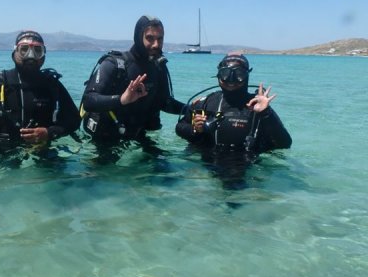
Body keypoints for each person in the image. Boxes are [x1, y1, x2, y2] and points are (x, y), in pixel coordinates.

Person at [0, 30, 80, 163]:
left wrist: (49, 132)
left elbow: (74, 119)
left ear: (43, 57)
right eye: (24, 50)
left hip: (41, 149)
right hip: (1, 151)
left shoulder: (52, 85)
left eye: (37, 50)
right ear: (14, 55)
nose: (31, 56)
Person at [176, 53, 292, 189]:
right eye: (225, 73)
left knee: (234, 193)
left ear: (247, 75)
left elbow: (285, 143)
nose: (231, 80)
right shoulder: (207, 102)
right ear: (218, 75)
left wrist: (266, 113)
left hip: (244, 161)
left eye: (239, 74)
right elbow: (180, 127)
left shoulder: (257, 105)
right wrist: (195, 129)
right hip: (208, 158)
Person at [81, 15, 185, 144]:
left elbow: (164, 102)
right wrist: (122, 99)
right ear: (138, 37)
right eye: (150, 38)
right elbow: (88, 101)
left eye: (160, 39)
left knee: (164, 163)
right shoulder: (114, 64)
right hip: (106, 137)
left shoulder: (159, 67)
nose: (156, 44)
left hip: (139, 135)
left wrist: (190, 109)